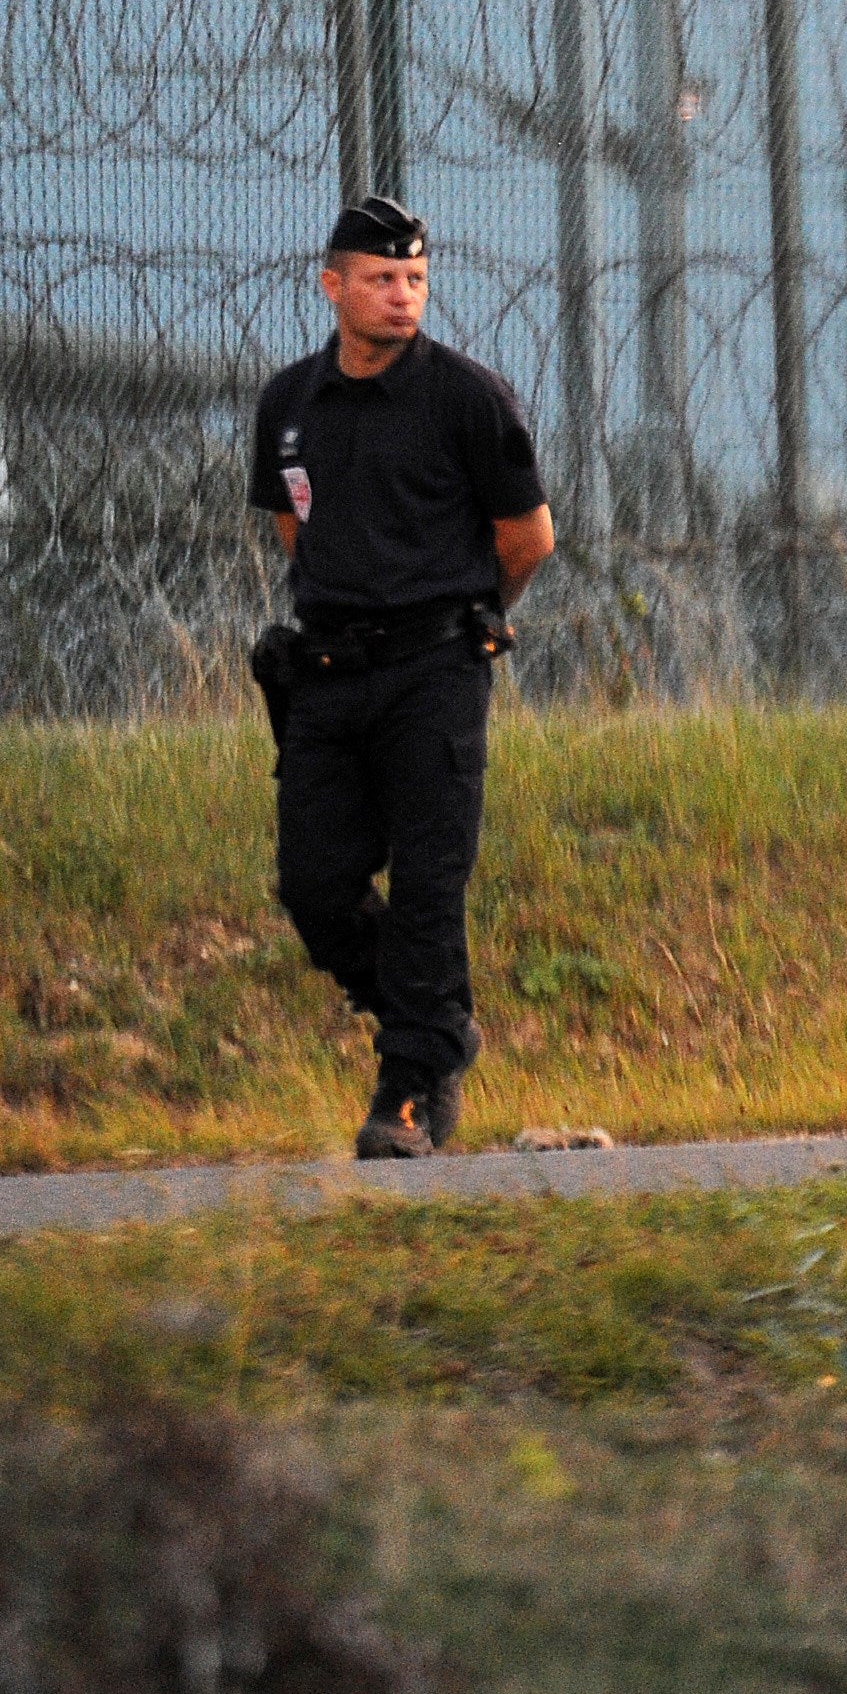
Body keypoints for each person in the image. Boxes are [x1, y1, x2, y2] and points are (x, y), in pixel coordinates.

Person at [247, 197, 556, 1159]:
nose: (401, 296)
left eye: (416, 280)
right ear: (333, 285)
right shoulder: (290, 404)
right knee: (315, 885)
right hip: (330, 669)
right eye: (381, 280)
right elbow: (294, 531)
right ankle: (436, 1022)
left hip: (436, 669)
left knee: (429, 884)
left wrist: (457, 616)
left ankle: (409, 1095)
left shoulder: (470, 398)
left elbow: (528, 540)